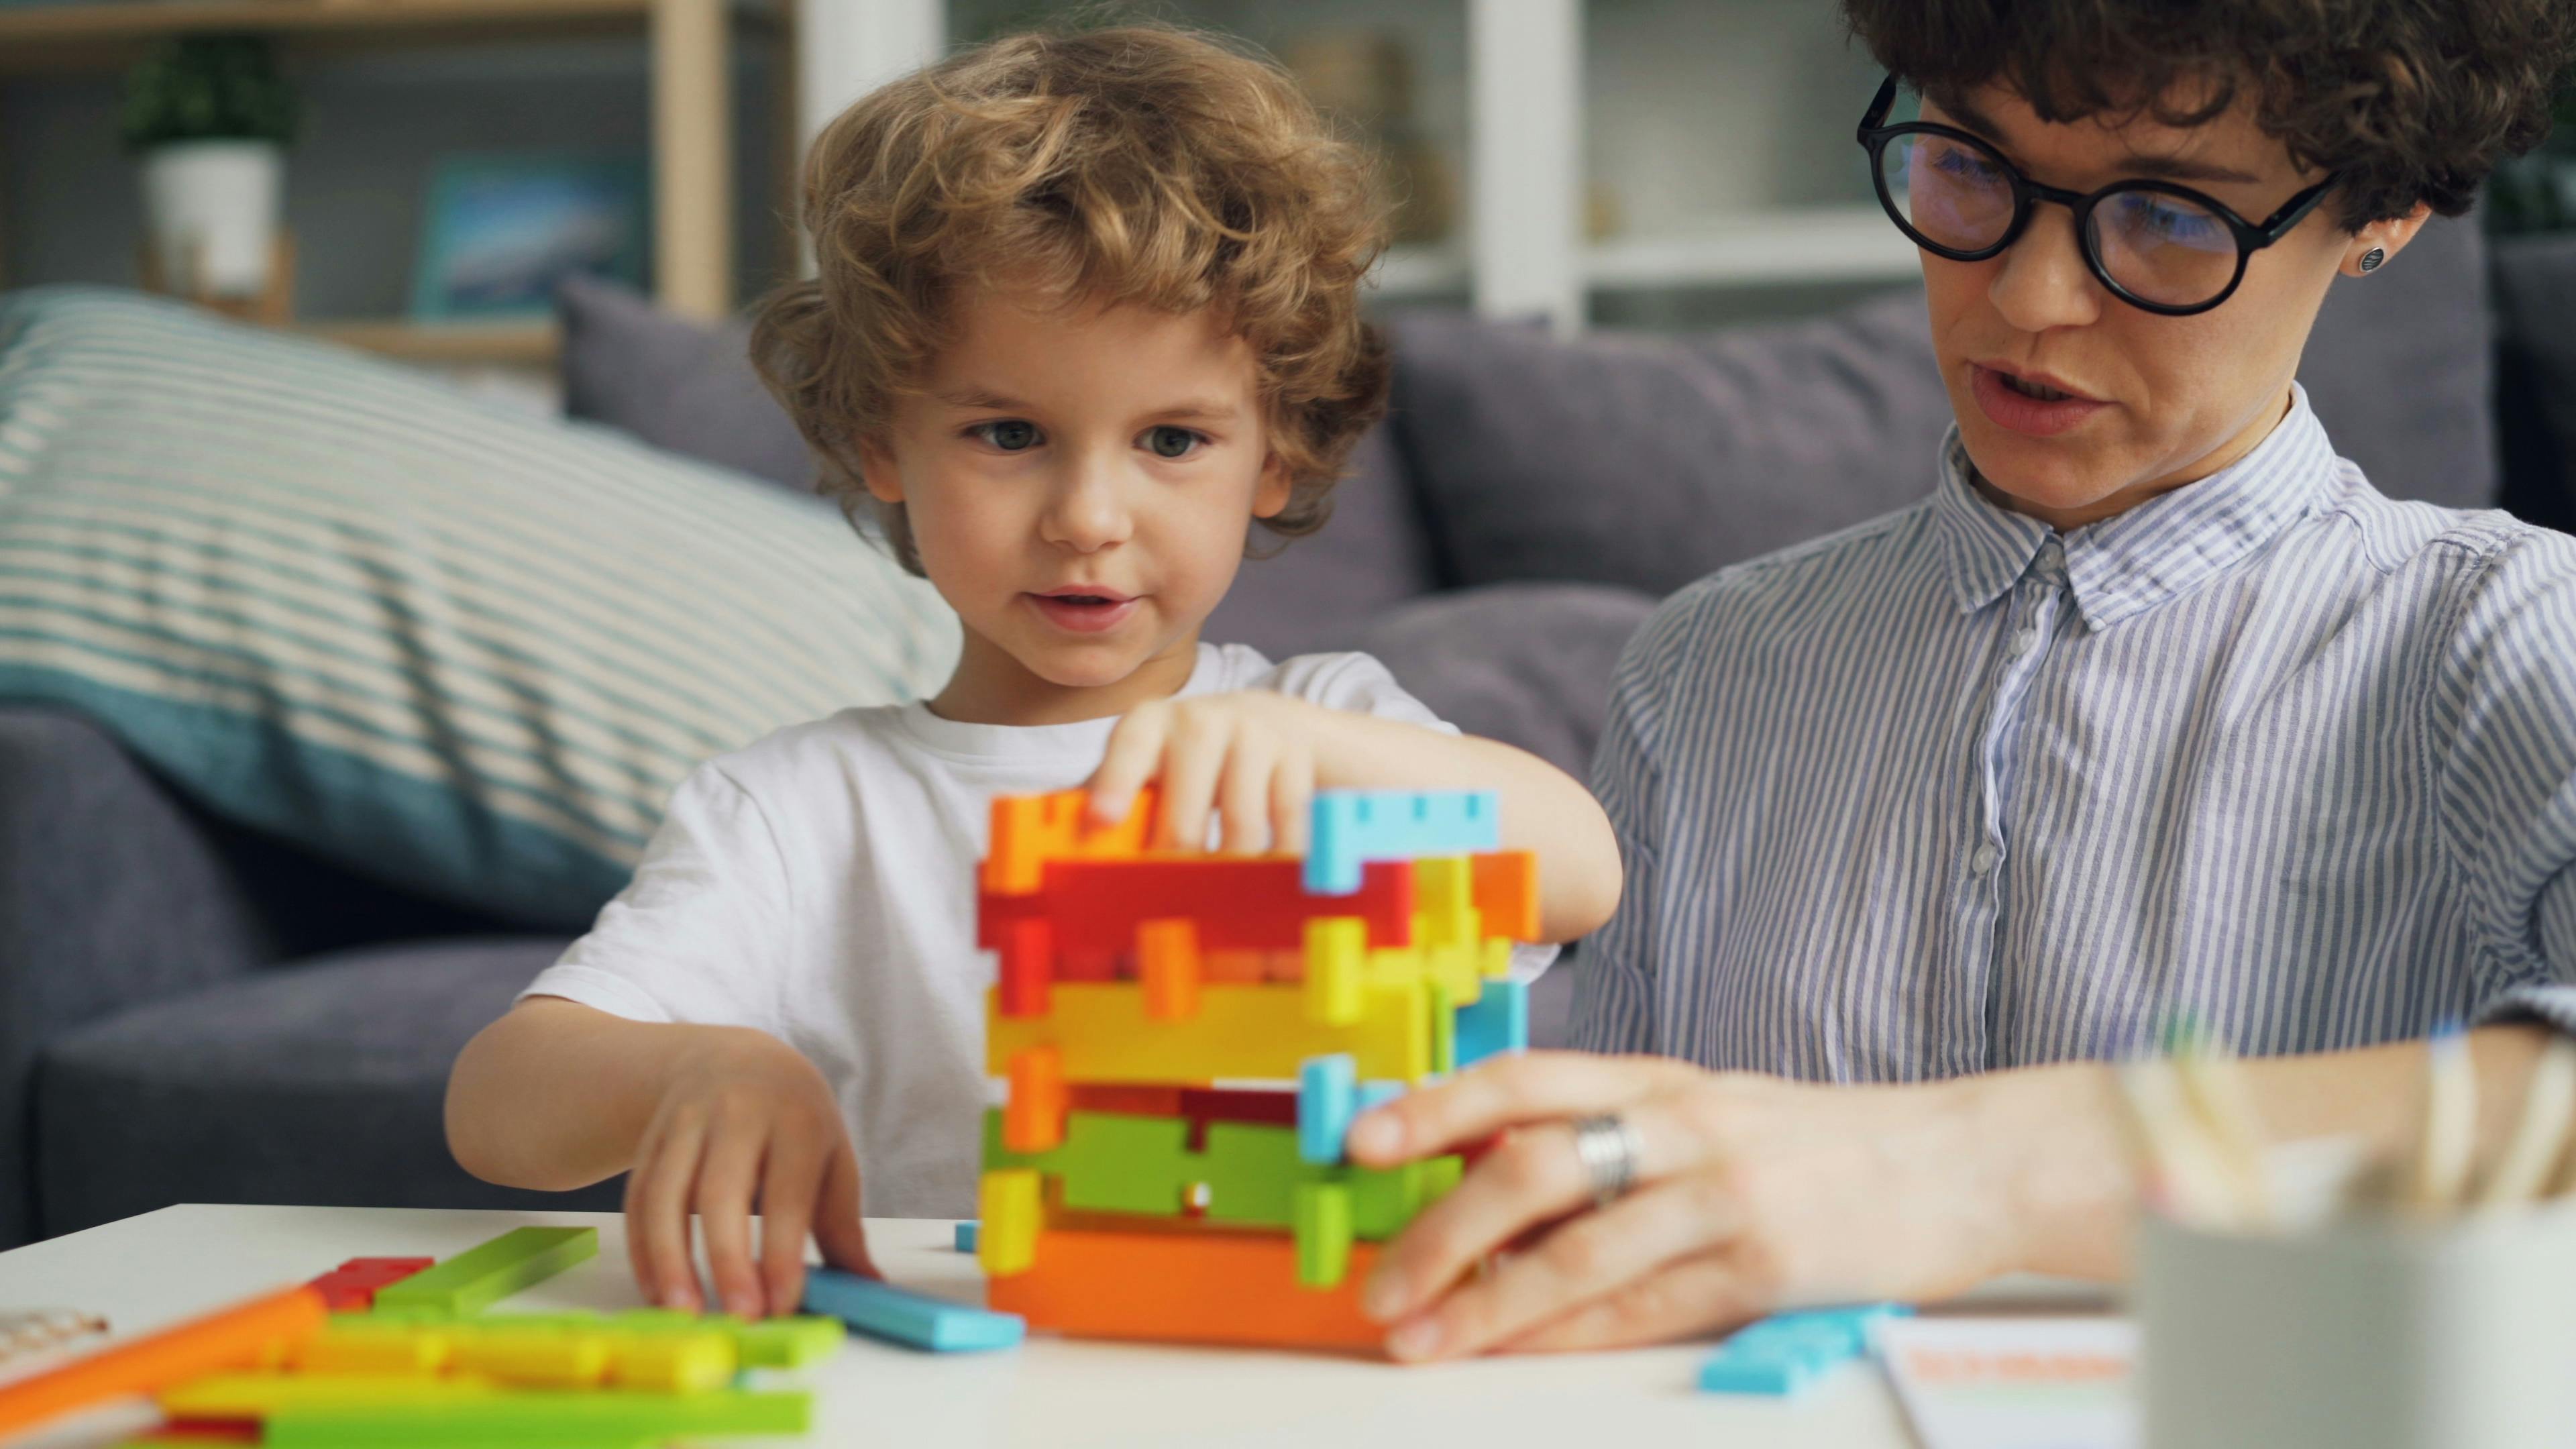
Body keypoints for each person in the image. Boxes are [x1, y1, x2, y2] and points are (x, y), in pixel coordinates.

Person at [1347, 0, 2576, 1362]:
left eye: (2169, 216)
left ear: (2382, 213)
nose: (2031, 298)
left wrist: (1975, 1168)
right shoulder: (1703, 672)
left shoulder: (2506, 636)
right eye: (1971, 169)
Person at [443, 25, 1622, 1323]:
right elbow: (498, 1104)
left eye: (1173, 439)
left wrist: (1348, 765)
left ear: (1273, 459)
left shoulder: (1322, 729)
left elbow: (1581, 870)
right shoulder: (798, 810)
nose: (1088, 517)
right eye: (1008, 434)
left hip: (1288, 1362)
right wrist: (692, 1072)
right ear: (881, 438)